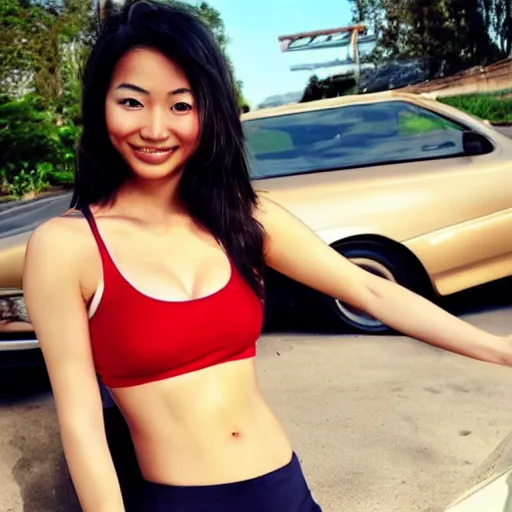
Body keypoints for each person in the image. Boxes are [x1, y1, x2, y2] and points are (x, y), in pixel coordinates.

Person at [22, 1, 512, 511]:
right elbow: (81, 423)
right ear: (100, 105)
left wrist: (500, 349)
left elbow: (370, 288)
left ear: (209, 111)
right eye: (132, 102)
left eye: (181, 105)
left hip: (284, 490)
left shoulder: (243, 218)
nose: (154, 128)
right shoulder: (66, 248)